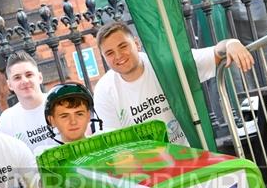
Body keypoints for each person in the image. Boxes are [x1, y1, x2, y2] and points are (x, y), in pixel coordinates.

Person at [93, 21, 255, 145]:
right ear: (104, 58)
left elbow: (214, 54)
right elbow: (115, 142)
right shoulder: (104, 90)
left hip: (190, 156)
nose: (118, 55)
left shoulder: (165, 63)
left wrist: (231, 43)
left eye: (123, 46)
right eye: (110, 53)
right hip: (147, 171)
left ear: (136, 44)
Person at [0, 51, 56, 153]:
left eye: (29, 75)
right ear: (10, 85)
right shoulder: (6, 120)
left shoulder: (58, 103)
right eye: (17, 77)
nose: (24, 81)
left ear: (40, 77)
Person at [34, 82, 101, 156]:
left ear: (89, 116)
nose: (73, 122)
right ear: (51, 120)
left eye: (79, 114)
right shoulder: (45, 156)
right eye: (64, 116)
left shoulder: (105, 143)